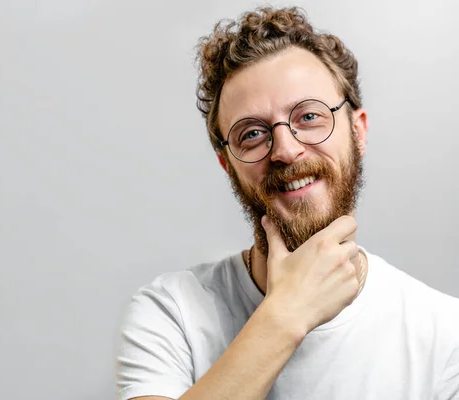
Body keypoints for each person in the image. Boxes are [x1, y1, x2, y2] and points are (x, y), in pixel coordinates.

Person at [115, 6, 459, 400]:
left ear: (358, 132)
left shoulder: (446, 335)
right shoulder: (171, 313)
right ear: (227, 164)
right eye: (253, 134)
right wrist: (286, 315)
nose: (285, 149)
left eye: (309, 116)